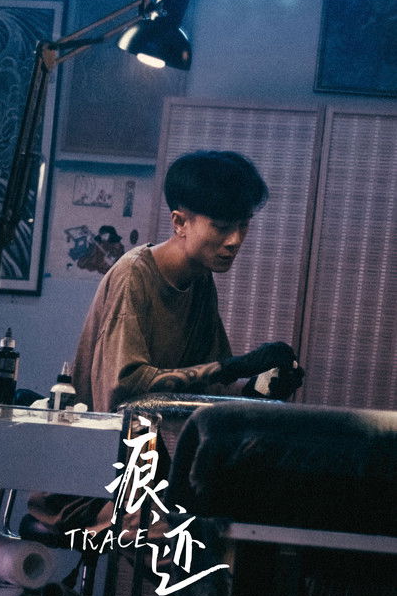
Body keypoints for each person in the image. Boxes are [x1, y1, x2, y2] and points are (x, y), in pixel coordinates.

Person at [28, 151, 304, 541]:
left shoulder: (200, 281)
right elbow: (125, 386)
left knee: (251, 518)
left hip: (145, 463)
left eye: (243, 225)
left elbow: (207, 387)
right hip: (94, 476)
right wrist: (235, 366)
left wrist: (261, 387)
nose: (235, 241)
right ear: (179, 222)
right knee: (191, 540)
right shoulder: (133, 275)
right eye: (221, 226)